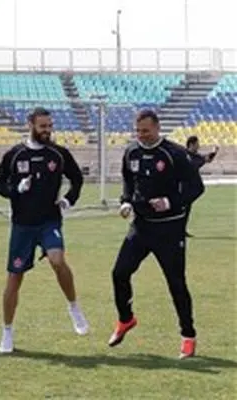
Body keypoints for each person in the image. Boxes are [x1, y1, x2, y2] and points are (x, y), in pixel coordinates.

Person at [0, 107, 89, 354]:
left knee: (57, 260)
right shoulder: (15, 155)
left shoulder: (58, 154)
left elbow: (77, 179)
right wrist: (16, 189)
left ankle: (74, 306)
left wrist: (68, 200)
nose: (47, 131)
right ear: (31, 125)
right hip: (22, 225)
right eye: (42, 126)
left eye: (49, 126)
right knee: (14, 278)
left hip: (49, 221)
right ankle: (7, 332)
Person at [110, 110, 204, 359]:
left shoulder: (175, 154)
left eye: (146, 131)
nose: (141, 135)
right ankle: (126, 319)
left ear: (157, 128)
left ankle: (188, 335)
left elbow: (196, 187)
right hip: (141, 226)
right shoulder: (132, 152)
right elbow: (128, 180)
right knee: (119, 273)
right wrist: (126, 201)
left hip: (169, 229)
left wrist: (170, 202)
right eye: (138, 131)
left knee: (176, 283)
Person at [184, 135, 219, 237]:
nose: (198, 146)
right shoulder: (184, 155)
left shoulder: (195, 155)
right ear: (191, 144)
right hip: (185, 186)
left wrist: (214, 152)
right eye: (197, 144)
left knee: (187, 208)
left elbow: (206, 159)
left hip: (193, 188)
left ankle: (182, 229)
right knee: (184, 208)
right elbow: (197, 163)